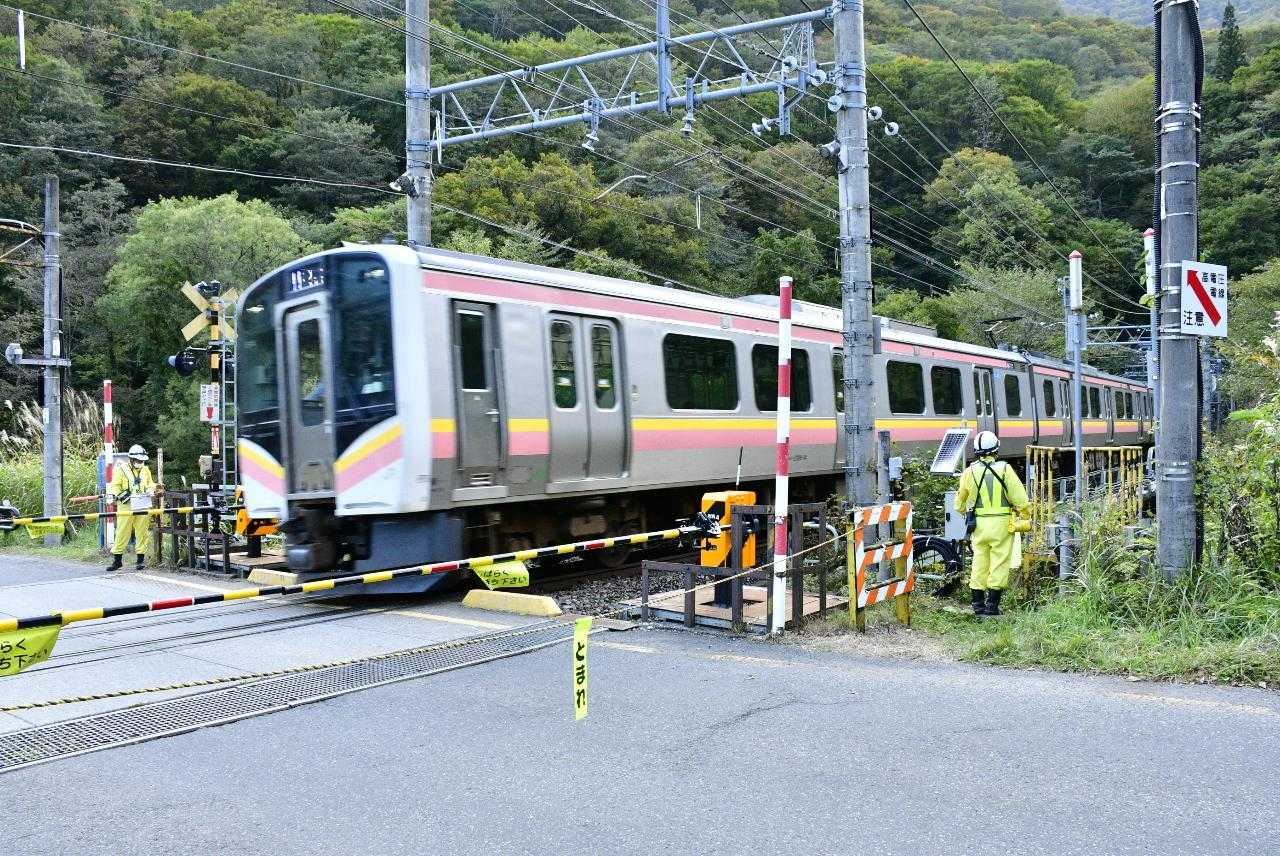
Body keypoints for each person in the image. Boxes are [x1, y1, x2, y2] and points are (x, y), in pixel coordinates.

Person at [955, 430, 1029, 617]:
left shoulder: (969, 472)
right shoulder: (1005, 469)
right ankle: (992, 607)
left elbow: (959, 504)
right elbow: (1020, 498)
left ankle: (978, 606)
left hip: (979, 525)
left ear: (976, 452)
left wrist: (966, 512)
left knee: (979, 562)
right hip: (1002, 524)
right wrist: (1025, 514)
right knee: (999, 562)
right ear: (996, 450)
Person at [106, 444, 162, 571]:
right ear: (131, 459)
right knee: (122, 531)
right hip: (126, 505)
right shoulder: (121, 469)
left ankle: (140, 561)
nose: (140, 462)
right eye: (138, 460)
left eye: (142, 461)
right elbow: (115, 486)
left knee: (142, 532)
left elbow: (149, 483)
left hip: (142, 504)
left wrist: (151, 489)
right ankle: (117, 561)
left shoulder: (145, 470)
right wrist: (121, 495)